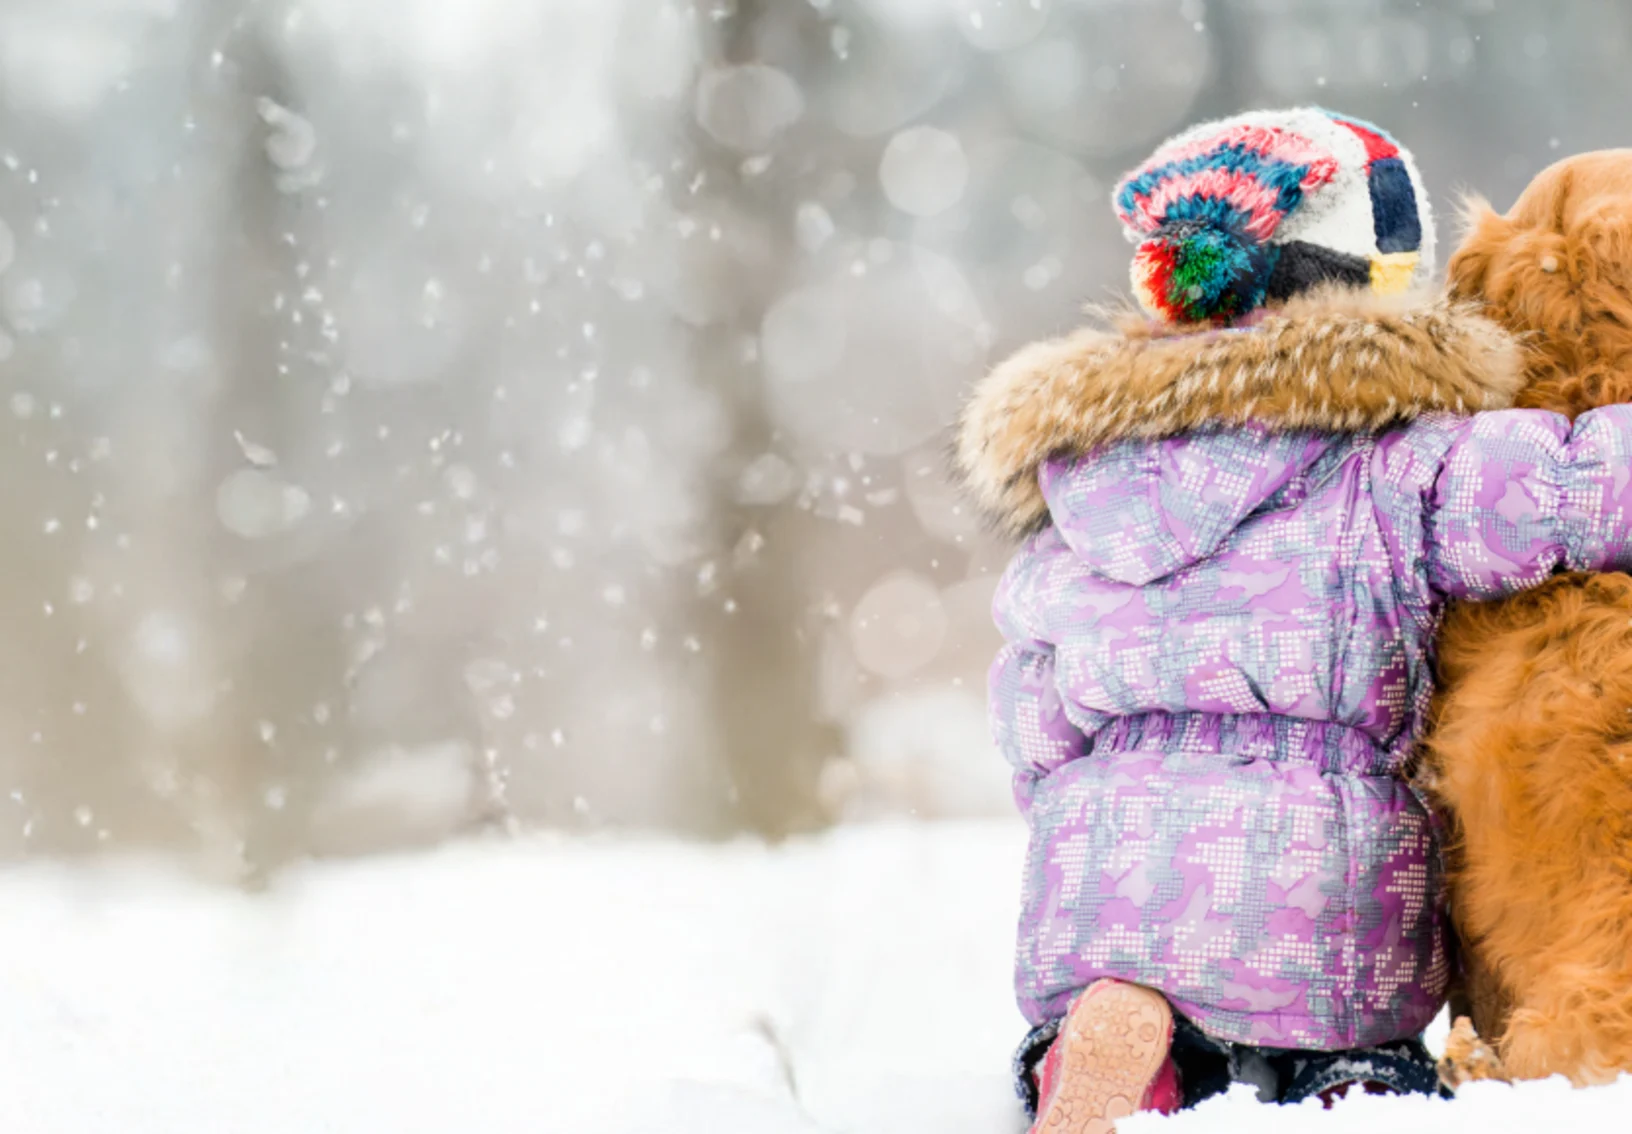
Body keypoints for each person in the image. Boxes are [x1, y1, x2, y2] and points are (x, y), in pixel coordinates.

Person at [953, 107, 1632, 1131]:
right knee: (1360, 1063)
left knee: (1143, 1002)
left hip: (1100, 877)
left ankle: (1120, 1046)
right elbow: (1574, 490)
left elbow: (1032, 718)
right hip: (1319, 896)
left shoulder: (1082, 490)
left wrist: (1097, 812)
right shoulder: (1395, 464)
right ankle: (1347, 1085)